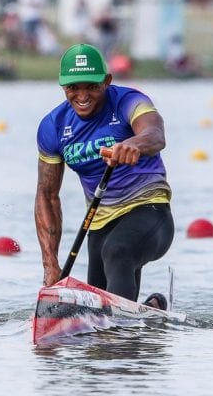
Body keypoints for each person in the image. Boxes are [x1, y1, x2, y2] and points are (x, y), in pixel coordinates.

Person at [34, 44, 174, 310]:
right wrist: (50, 263)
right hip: (99, 224)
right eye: (73, 87)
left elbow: (155, 134)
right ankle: (149, 310)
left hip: (148, 210)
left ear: (107, 81)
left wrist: (134, 144)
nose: (82, 95)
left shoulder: (130, 101)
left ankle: (116, 333)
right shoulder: (52, 126)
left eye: (92, 86)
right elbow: (47, 195)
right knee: (97, 299)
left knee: (118, 252)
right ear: (63, 86)